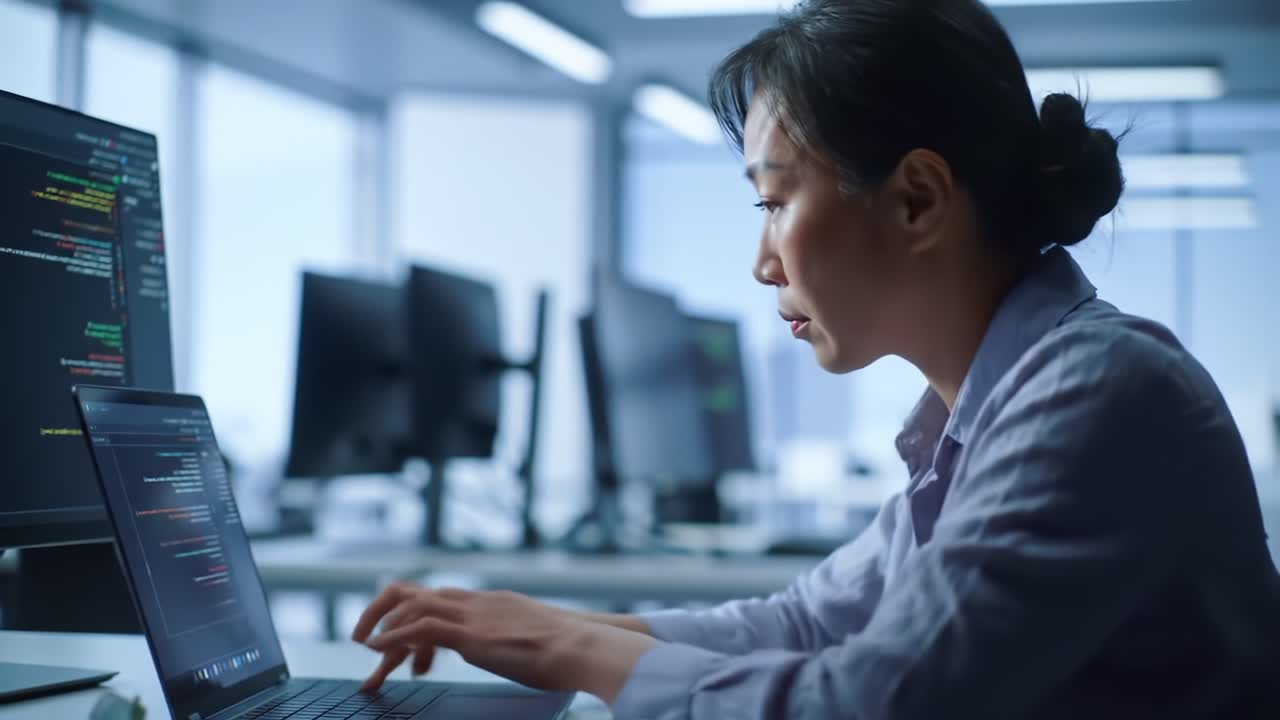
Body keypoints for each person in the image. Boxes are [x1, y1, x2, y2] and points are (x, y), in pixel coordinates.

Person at [351, 0, 1280, 717]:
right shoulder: (990, 412)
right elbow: (806, 623)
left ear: (917, 201)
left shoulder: (1098, 393)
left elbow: (870, 702)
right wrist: (543, 623)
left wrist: (576, 653)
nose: (762, 263)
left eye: (774, 203)